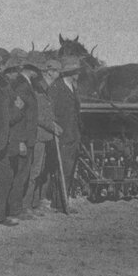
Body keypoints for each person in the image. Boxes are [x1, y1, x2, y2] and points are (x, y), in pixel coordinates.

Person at [6, 54, 40, 219]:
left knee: (23, 174)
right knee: (19, 175)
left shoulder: (26, 84)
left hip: (28, 138)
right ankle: (15, 209)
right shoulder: (21, 86)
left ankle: (17, 208)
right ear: (31, 70)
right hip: (23, 139)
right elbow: (19, 117)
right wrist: (20, 141)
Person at [27, 56, 63, 210]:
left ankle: (34, 203)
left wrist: (54, 123)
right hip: (39, 136)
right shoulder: (39, 89)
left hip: (45, 135)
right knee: (34, 172)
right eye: (57, 72)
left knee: (40, 171)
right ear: (49, 72)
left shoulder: (47, 89)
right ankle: (26, 205)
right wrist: (52, 126)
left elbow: (48, 113)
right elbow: (39, 116)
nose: (59, 75)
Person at [49, 55, 82, 211]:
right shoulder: (57, 87)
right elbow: (51, 109)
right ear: (69, 72)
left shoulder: (73, 87)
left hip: (73, 134)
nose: (78, 74)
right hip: (63, 134)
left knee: (69, 169)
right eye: (76, 71)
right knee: (63, 168)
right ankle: (59, 203)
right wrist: (54, 124)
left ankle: (63, 200)